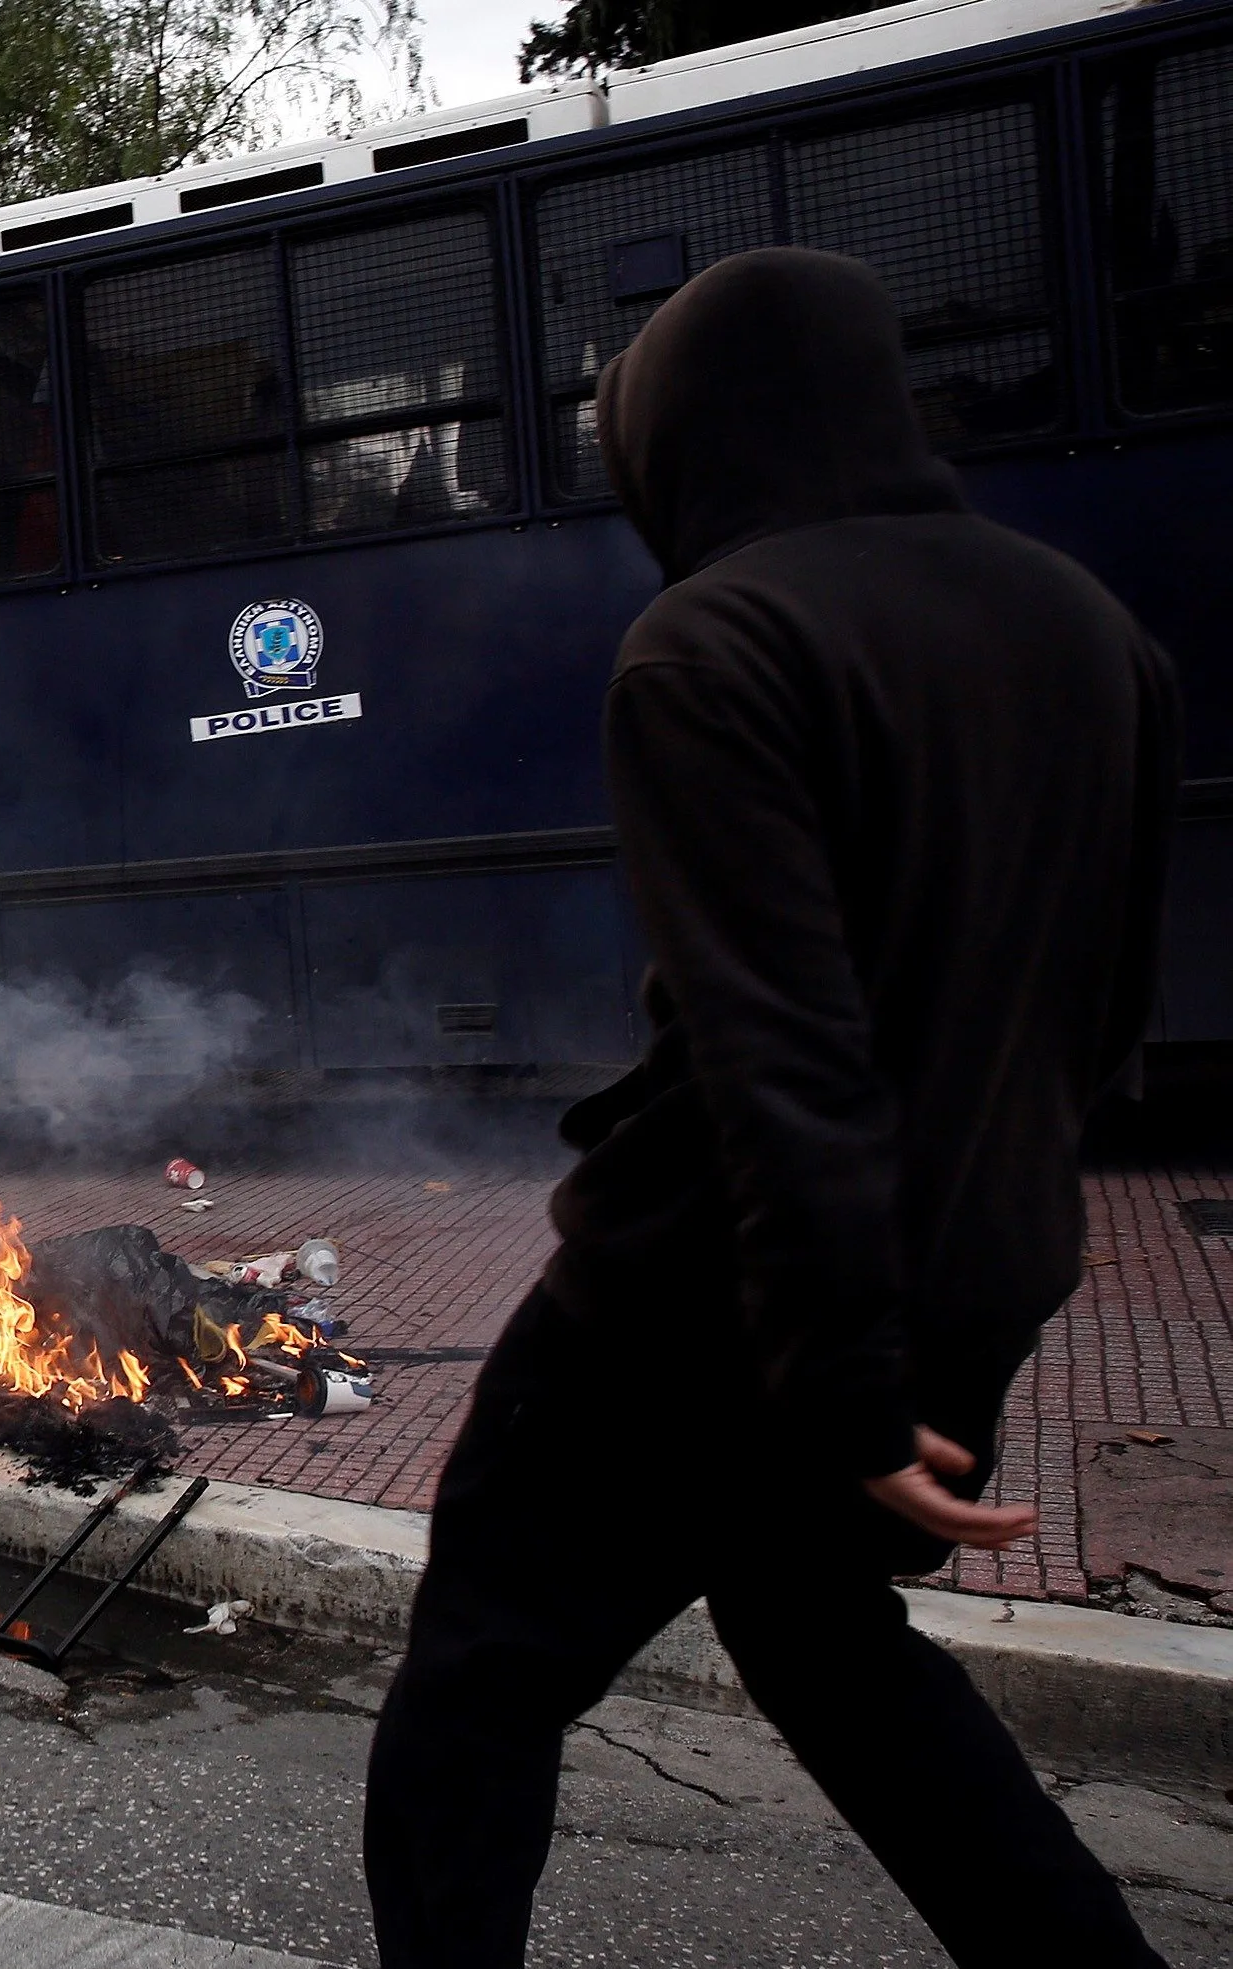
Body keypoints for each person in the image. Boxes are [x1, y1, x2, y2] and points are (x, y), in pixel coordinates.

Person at [361, 252, 1181, 1965]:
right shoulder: (1090, 628)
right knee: (827, 1641)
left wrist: (848, 1383)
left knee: (477, 1687)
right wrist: (935, 1307)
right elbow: (1102, 1008)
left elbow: (777, 1049)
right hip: (966, 1282)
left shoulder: (716, 639)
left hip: (697, 1312)